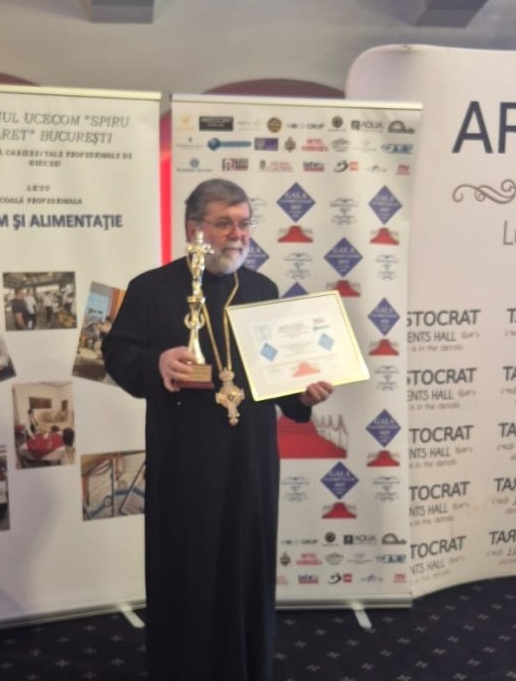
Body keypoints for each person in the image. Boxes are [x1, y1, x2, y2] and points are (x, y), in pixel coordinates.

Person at [102, 178, 332, 681]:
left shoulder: (262, 290)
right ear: (194, 229)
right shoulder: (151, 288)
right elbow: (115, 353)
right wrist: (156, 362)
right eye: (225, 223)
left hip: (251, 459)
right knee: (189, 565)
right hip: (186, 457)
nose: (238, 234)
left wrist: (300, 396)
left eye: (244, 223)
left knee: (247, 566)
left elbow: (277, 377)